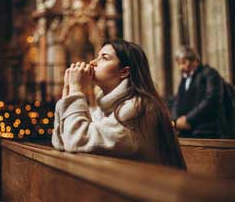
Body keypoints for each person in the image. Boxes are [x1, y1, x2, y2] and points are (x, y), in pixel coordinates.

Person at [52, 39, 186, 169]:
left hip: (152, 189)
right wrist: (68, 92)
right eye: (97, 57)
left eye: (104, 58)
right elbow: (62, 142)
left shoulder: (138, 107)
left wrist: (76, 89)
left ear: (124, 72)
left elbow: (76, 141)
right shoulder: (105, 108)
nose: (92, 62)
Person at [171, 46, 223, 138]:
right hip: (185, 130)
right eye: (178, 64)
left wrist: (188, 119)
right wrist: (176, 121)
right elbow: (177, 101)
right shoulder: (184, 79)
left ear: (195, 61)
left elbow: (211, 99)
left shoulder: (209, 73)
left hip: (204, 130)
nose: (181, 67)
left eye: (184, 63)